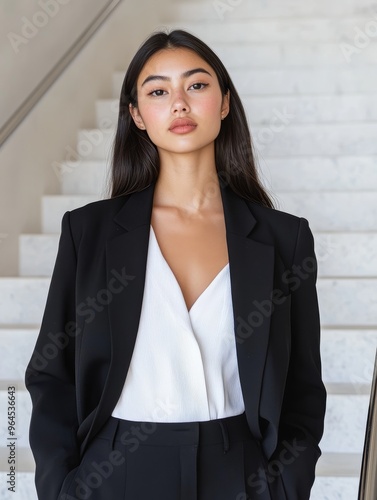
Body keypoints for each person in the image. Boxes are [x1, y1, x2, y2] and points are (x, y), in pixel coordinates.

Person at [25, 29, 327, 500]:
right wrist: (62, 488)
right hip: (114, 470)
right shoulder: (89, 233)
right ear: (137, 116)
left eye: (197, 85)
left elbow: (304, 386)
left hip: (240, 472)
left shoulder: (283, 238)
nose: (179, 104)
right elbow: (51, 373)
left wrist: (285, 487)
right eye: (159, 91)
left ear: (225, 102)